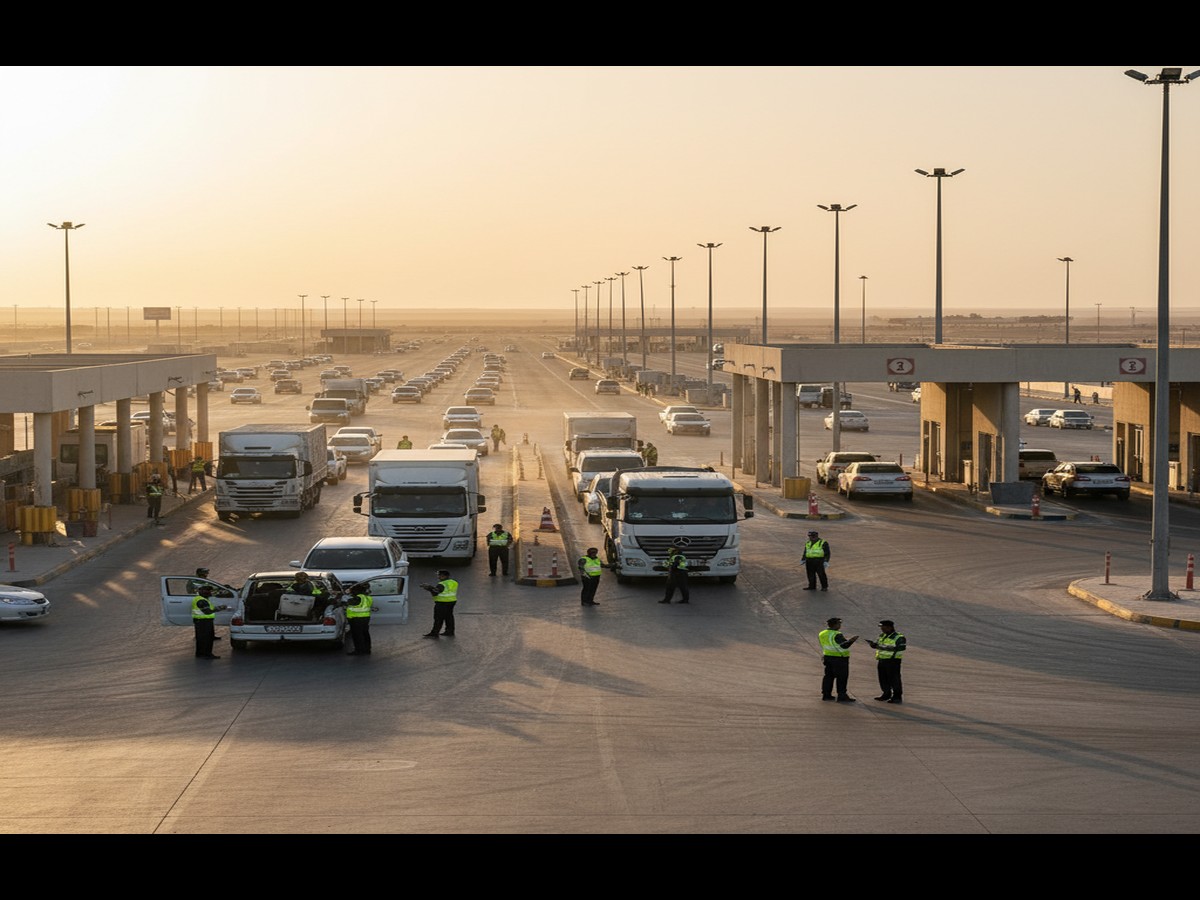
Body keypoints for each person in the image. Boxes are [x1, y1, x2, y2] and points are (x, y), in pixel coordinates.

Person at [819, 616, 859, 702]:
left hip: (828, 657)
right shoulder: (837, 634)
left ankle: (826, 694)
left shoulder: (822, 633)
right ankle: (842, 695)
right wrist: (852, 640)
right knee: (842, 677)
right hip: (839, 659)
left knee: (828, 676)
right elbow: (844, 645)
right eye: (839, 623)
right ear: (835, 625)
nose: (840, 625)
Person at [866, 619, 906, 704]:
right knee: (883, 679)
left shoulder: (899, 637)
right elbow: (878, 645)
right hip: (882, 660)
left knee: (894, 679)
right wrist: (873, 645)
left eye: (883, 627)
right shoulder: (882, 635)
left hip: (893, 661)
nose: (882, 629)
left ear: (889, 627)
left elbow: (901, 648)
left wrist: (881, 647)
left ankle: (897, 697)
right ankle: (886, 694)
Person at [191, 585, 228, 660]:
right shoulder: (202, 600)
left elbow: (209, 609)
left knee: (201, 638)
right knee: (207, 638)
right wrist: (219, 608)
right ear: (203, 592)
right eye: (208, 591)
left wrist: (218, 608)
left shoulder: (202, 599)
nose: (210, 592)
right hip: (204, 622)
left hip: (200, 621)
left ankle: (200, 653)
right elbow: (207, 611)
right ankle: (207, 654)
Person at [421, 570, 458, 638]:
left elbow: (436, 592)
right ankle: (450, 631)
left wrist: (429, 588)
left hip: (442, 603)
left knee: (438, 618)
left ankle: (434, 633)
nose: (438, 577)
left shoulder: (442, 584)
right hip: (452, 601)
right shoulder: (454, 582)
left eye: (440, 575)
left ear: (444, 576)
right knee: (449, 617)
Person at [343, 582, 374, 655]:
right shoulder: (367, 597)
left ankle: (359, 650)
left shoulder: (359, 597)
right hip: (365, 618)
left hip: (357, 619)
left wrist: (342, 601)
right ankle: (367, 649)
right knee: (365, 634)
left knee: (357, 635)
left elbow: (349, 603)